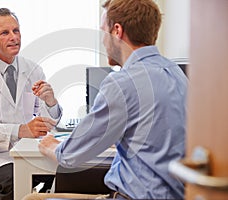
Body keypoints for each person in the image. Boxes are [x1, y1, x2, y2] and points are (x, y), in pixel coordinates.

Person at [24, 0, 187, 199]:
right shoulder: (178, 75)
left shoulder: (123, 83)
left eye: (103, 32)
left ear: (117, 31)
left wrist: (51, 145)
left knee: (31, 197)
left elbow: (70, 156)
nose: (102, 41)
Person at [0, 8, 62, 200]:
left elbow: (45, 122)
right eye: (5, 33)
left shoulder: (33, 69)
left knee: (62, 173)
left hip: (25, 149)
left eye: (16, 31)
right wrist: (21, 130)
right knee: (14, 180)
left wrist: (50, 102)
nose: (14, 37)